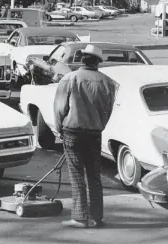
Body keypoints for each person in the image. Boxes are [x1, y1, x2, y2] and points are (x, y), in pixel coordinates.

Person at [53, 44, 117, 229]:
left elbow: (60, 108)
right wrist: (99, 126)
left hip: (72, 132)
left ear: (82, 59)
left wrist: (60, 129)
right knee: (94, 176)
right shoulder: (108, 82)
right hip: (94, 133)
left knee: (77, 175)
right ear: (98, 62)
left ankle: (80, 218)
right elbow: (108, 111)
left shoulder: (69, 78)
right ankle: (97, 216)